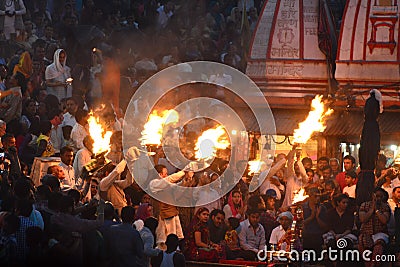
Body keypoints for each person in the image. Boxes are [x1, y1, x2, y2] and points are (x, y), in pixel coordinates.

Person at [359, 188, 390, 267]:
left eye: (380, 196)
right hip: (366, 233)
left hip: (380, 233)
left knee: (378, 246)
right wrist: (371, 209)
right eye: (377, 196)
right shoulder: (364, 205)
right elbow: (363, 219)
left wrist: (376, 210)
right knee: (364, 245)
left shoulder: (385, 206)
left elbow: (384, 220)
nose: (378, 198)